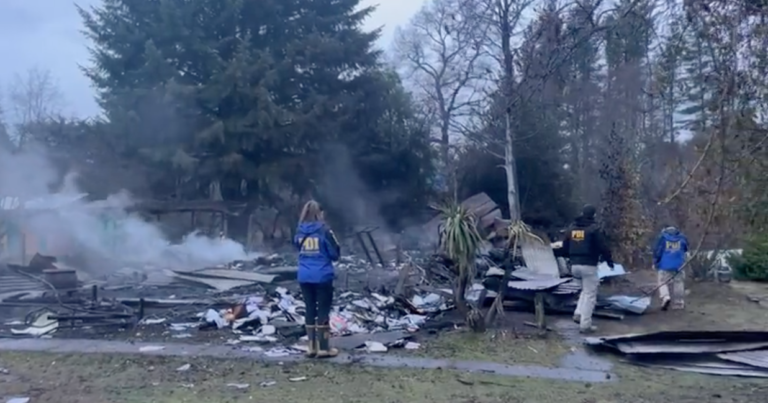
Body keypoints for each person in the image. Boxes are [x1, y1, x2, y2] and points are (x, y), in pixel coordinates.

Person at [295, 200, 341, 358]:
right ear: (319, 213)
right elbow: (335, 254)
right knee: (323, 309)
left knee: (309, 308)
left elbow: (296, 247)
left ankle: (311, 348)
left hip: (304, 275)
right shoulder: (325, 230)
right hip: (322, 275)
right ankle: (323, 348)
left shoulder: (299, 230)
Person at [562, 205, 613, 334]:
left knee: (585, 291)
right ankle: (585, 325)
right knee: (590, 294)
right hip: (589, 265)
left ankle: (578, 313)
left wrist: (570, 259)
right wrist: (609, 261)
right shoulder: (593, 229)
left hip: (574, 266)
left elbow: (564, 246)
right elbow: (603, 247)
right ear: (594, 215)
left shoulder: (572, 229)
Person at [653, 225, 688, 311]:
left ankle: (665, 297)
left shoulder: (663, 238)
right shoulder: (682, 238)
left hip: (665, 265)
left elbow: (658, 251)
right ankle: (679, 303)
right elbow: (686, 249)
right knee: (678, 282)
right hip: (679, 266)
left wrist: (655, 262)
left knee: (662, 282)